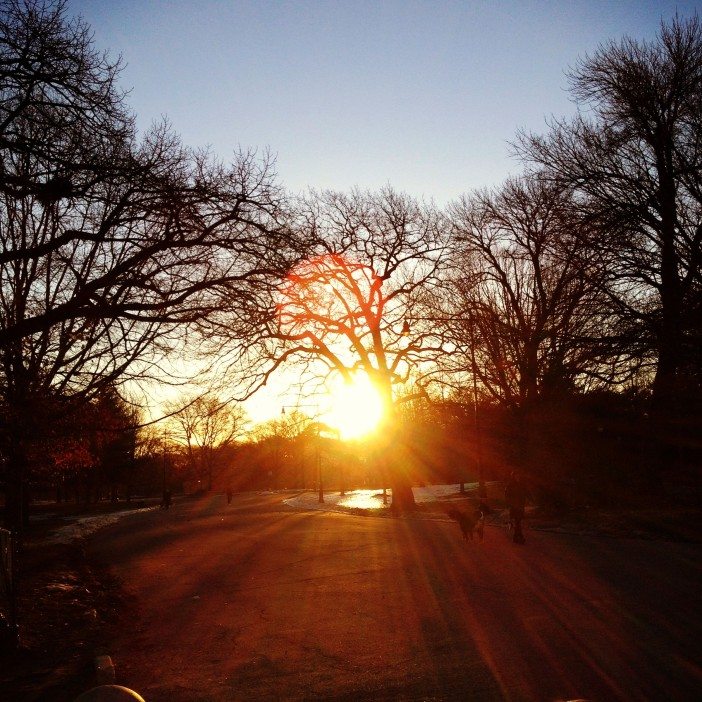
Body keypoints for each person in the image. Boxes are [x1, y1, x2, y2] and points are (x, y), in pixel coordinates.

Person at [505, 471, 527, 544]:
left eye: (518, 475)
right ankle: (520, 537)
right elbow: (507, 495)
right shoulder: (510, 485)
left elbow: (524, 493)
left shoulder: (521, 484)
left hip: (520, 506)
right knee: (517, 522)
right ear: (513, 477)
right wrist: (510, 503)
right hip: (514, 506)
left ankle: (516, 537)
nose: (517, 477)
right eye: (516, 476)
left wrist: (527, 500)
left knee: (518, 522)